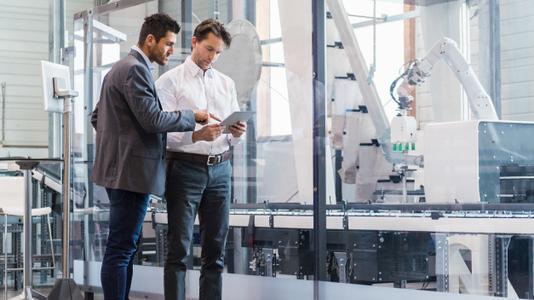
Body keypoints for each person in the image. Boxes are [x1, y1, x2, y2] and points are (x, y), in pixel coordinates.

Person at [91, 13, 209, 300]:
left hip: (121, 171)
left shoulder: (119, 68)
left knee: (125, 248)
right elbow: (153, 120)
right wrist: (191, 116)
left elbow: (98, 117)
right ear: (150, 39)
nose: (171, 50)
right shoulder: (135, 69)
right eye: (168, 44)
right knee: (121, 249)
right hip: (130, 174)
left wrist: (122, 143)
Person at [155, 19, 246, 300]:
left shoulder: (226, 83)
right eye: (209, 49)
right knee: (179, 250)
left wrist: (237, 132)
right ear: (194, 42)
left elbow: (232, 130)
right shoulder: (169, 82)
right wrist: (197, 136)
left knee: (215, 251)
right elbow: (163, 133)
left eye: (218, 53)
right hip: (184, 169)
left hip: (221, 170)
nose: (212, 58)